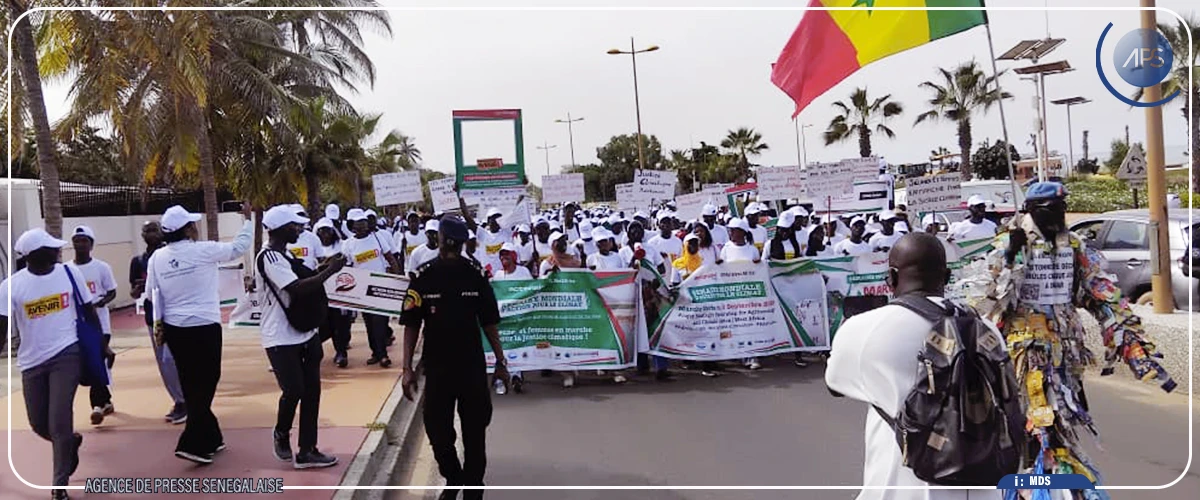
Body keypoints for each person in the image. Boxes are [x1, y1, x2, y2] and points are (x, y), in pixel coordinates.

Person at [960, 182, 1175, 494]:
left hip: (1064, 354)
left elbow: (1102, 297)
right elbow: (986, 300)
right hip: (1024, 355)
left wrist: (1132, 344)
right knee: (1036, 423)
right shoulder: (1012, 243)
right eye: (1053, 210)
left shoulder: (1074, 247)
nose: (1061, 214)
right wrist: (1009, 257)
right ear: (1033, 210)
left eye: (1062, 208)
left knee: (1059, 420)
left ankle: (1049, 486)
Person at [826, 232, 1001, 500]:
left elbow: (834, 385)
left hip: (903, 486)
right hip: (981, 486)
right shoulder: (986, 329)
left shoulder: (864, 329)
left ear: (892, 277)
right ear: (946, 277)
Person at [400, 215, 509, 500]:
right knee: (437, 430)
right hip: (437, 368)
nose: (451, 249)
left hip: (471, 367)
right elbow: (411, 324)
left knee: (475, 430)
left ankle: (473, 486)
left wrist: (500, 362)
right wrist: (407, 368)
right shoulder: (422, 277)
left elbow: (489, 323)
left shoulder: (475, 275)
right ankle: (453, 476)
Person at [146, 203, 253, 464]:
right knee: (207, 380)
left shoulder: (156, 258)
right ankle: (192, 443)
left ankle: (212, 438)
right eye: (192, 224)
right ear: (187, 229)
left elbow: (150, 295)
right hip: (204, 325)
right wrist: (248, 220)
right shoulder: (203, 250)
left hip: (174, 329)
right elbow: (238, 247)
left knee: (191, 381)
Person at [1, 229, 98, 500]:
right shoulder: (11, 286)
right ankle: (71, 443)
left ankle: (59, 487)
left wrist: (102, 345)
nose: (59, 250)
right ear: (34, 254)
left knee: (58, 420)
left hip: (67, 354)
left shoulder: (69, 273)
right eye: (52, 247)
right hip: (31, 361)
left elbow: (89, 311)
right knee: (39, 425)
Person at [256, 206, 347, 469]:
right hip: (280, 337)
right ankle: (281, 432)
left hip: (305, 333)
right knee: (294, 389)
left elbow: (305, 276)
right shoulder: (269, 258)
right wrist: (331, 271)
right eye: (295, 226)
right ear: (282, 228)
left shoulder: (286, 255)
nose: (300, 229)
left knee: (312, 394)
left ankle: (308, 450)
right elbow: (296, 289)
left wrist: (327, 265)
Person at [129, 221, 187, 424]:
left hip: (175, 316)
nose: (150, 234)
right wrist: (140, 289)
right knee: (164, 361)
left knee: (175, 359)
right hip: (154, 319)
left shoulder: (169, 256)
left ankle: (187, 399)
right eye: (146, 231)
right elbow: (134, 292)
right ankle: (179, 401)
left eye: (154, 229)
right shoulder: (138, 261)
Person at [71, 226, 119, 426]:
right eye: (77, 240)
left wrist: (100, 302)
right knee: (89, 365)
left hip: (100, 325)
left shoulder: (102, 267)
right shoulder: (68, 269)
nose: (80, 244)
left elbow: (112, 292)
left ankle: (97, 406)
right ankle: (106, 400)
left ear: (91, 244)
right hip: (78, 326)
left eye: (84, 240)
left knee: (97, 361)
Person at [342, 208, 401, 368]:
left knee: (380, 321)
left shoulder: (378, 237)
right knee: (369, 322)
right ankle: (376, 352)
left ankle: (383, 355)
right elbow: (346, 267)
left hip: (380, 285)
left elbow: (391, 258)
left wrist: (397, 279)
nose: (362, 225)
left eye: (364, 222)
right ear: (351, 226)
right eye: (358, 223)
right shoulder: (348, 245)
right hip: (361, 288)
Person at [314, 218, 354, 368]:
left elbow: (346, 262)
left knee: (340, 323)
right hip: (321, 291)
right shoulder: (315, 246)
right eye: (322, 230)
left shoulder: (342, 245)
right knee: (323, 323)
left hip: (339, 291)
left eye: (328, 230)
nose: (326, 233)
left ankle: (341, 352)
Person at [285, 205, 322, 271]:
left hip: (310, 277)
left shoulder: (313, 238)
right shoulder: (284, 238)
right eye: (296, 215)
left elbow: (321, 259)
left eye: (301, 215)